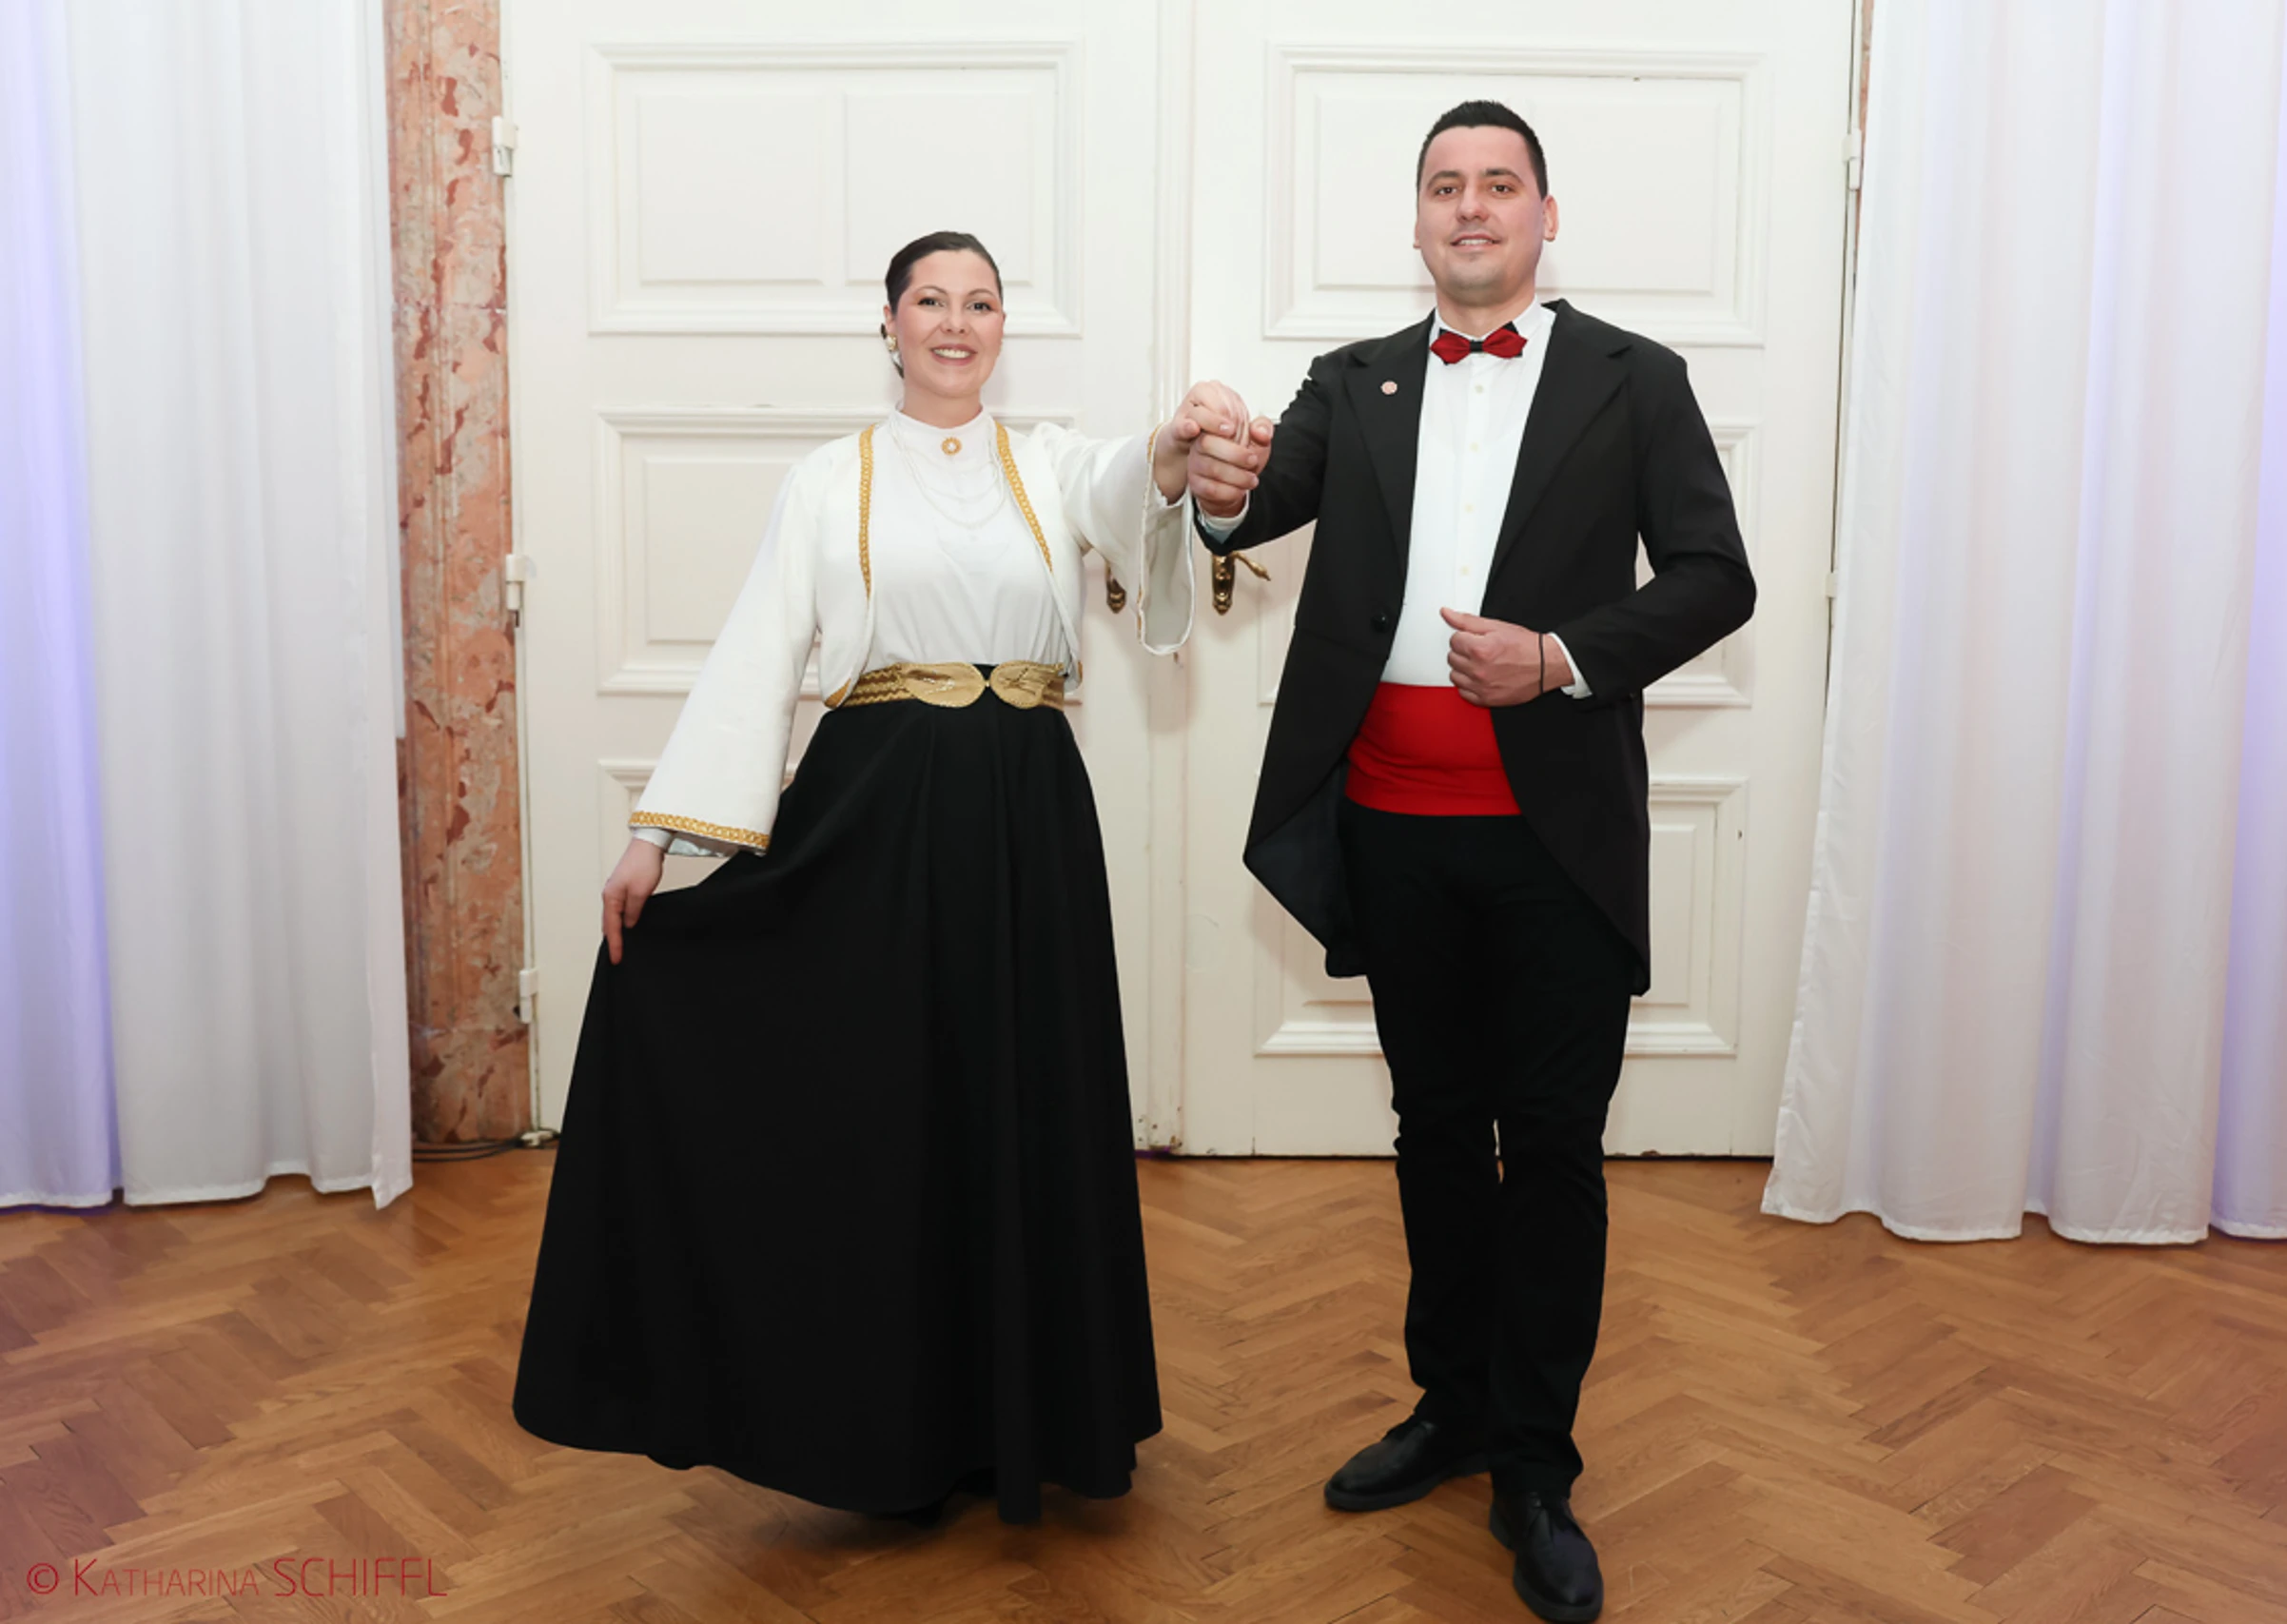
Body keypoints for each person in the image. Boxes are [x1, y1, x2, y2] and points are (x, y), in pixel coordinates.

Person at [512, 229, 1247, 1526]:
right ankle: (885, 1421)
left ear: (1002, 328)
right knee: (890, 1100)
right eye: (932, 302)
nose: (957, 323)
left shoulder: (1050, 462)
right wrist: (659, 839)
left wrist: (1180, 442)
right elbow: (758, 653)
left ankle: (1026, 1417)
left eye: (981, 303)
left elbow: (1134, 486)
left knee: (1023, 1089)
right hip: (877, 810)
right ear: (891, 325)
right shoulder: (825, 480)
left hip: (1027, 811)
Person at [1181, 104, 1756, 1620]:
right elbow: (1250, 511)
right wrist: (1212, 473)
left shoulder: (1638, 378)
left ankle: (1536, 1466)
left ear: (1546, 216)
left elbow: (1718, 577)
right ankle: (1451, 1407)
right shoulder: (1351, 379)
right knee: (1434, 1127)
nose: (1472, 206)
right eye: (1446, 185)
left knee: (1551, 1143)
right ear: (1420, 219)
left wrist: (1561, 656)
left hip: (1556, 841)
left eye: (1500, 184)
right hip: (1392, 828)